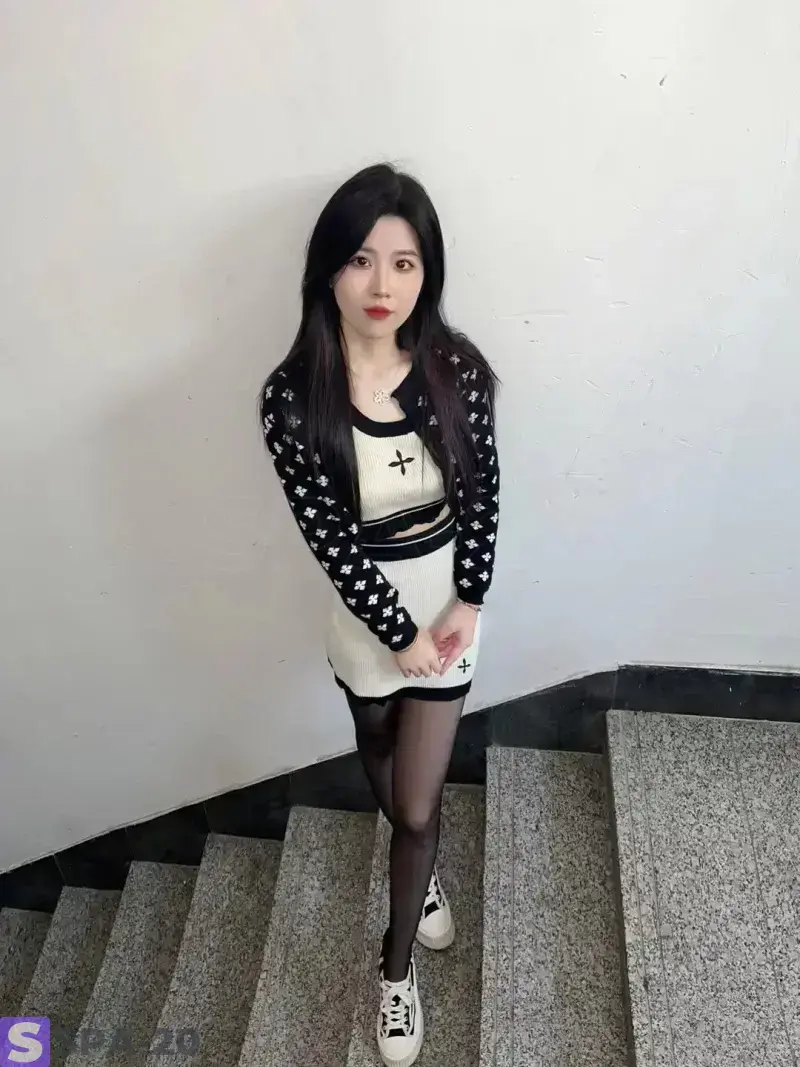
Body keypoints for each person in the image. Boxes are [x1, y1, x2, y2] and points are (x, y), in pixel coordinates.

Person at [260, 163, 499, 1067]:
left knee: (416, 804)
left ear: (426, 273)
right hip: (368, 618)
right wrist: (397, 635)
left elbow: (482, 496)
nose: (382, 285)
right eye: (361, 260)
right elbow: (329, 538)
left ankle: (394, 967)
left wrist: (465, 603)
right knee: (377, 749)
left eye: (404, 263)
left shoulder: (454, 370)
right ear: (328, 268)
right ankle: (420, 870)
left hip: (449, 609)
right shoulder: (293, 400)